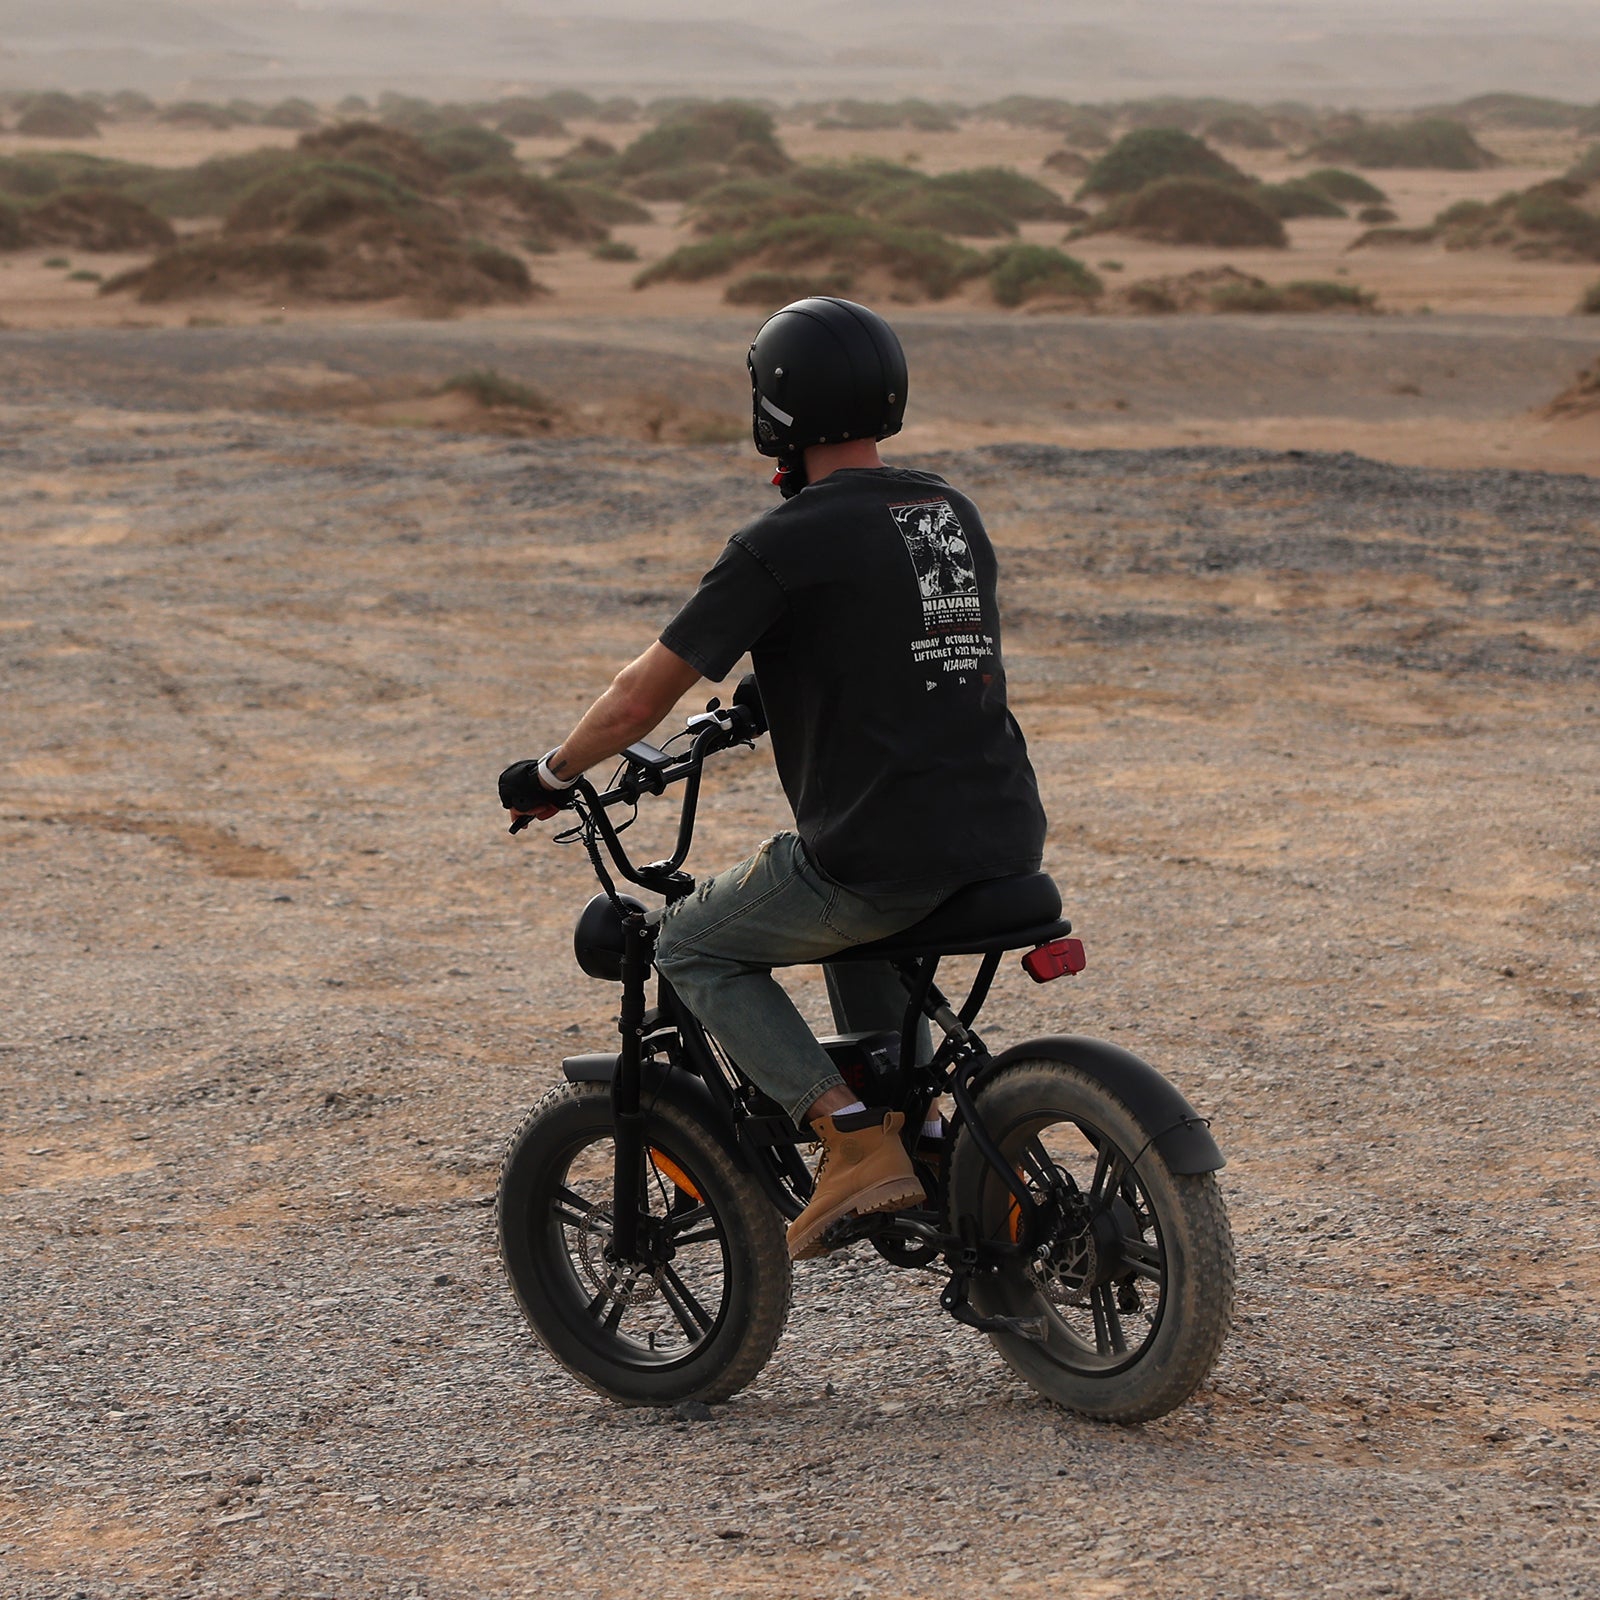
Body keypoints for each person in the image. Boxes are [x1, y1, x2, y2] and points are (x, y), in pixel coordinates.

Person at [500, 297, 1047, 1260]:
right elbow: (894, 640)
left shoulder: (784, 541)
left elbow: (638, 703)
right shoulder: (947, 513)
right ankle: (924, 1130)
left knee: (688, 944)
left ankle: (848, 1134)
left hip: (874, 856)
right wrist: (770, 696)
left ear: (775, 412)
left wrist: (548, 771)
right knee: (858, 938)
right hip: (1001, 836)